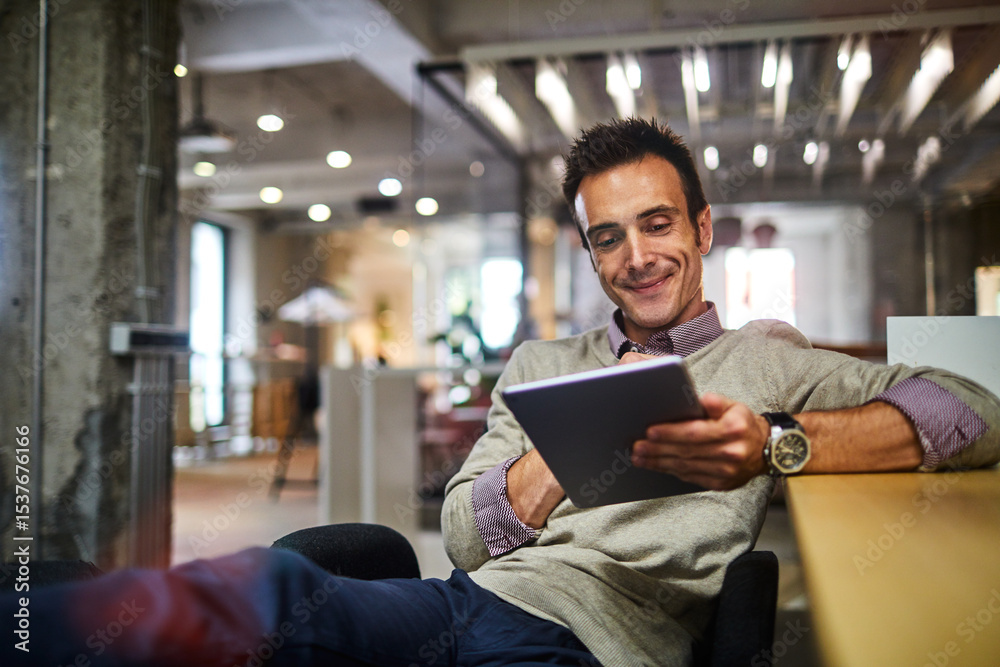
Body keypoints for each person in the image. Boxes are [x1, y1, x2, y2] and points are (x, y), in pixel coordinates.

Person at [4, 118, 999, 667]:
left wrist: (775, 440)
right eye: (607, 237)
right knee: (272, 587)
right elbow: (468, 537)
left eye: (657, 225)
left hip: (599, 646)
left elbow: (972, 408)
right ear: (588, 251)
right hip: (458, 605)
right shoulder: (536, 365)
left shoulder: (769, 359)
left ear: (702, 227)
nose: (637, 256)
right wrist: (557, 459)